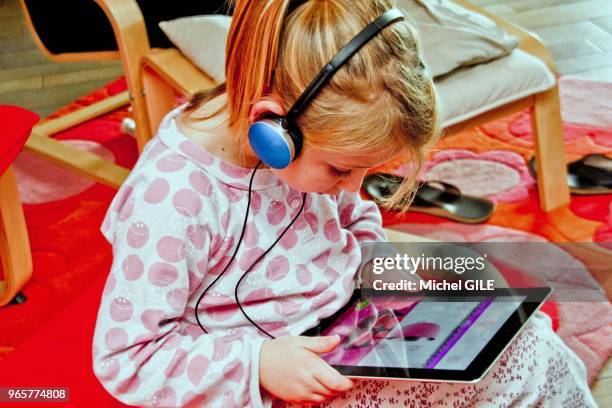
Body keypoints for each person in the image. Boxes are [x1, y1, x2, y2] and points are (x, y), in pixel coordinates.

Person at [92, 0, 595, 407]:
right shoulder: (172, 202)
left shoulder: (308, 151)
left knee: (527, 346)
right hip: (275, 373)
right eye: (340, 170)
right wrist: (259, 364)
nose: (354, 190)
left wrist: (382, 274)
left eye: (365, 173)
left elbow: (356, 221)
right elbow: (128, 359)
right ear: (274, 130)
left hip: (354, 329)